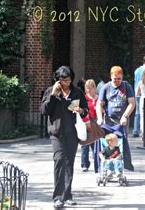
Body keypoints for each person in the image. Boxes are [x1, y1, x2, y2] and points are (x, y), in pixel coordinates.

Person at [41, 66, 88, 208]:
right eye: (61, 80)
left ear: (71, 80)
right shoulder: (51, 91)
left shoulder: (77, 92)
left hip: (72, 133)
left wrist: (81, 110)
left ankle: (67, 196)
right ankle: (57, 197)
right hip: (56, 133)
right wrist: (53, 95)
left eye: (67, 80)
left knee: (69, 164)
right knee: (59, 160)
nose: (64, 83)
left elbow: (86, 111)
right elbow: (44, 111)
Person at [96, 66, 135, 171]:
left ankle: (120, 163)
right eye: (115, 79)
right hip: (108, 121)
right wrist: (99, 118)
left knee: (121, 142)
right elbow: (99, 104)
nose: (117, 81)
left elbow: (132, 103)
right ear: (111, 77)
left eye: (119, 79)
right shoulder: (106, 88)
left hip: (121, 121)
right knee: (106, 142)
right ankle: (105, 164)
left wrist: (125, 116)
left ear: (122, 77)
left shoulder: (127, 87)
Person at [81, 79, 98, 172]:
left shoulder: (98, 98)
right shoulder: (84, 99)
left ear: (94, 88)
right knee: (85, 144)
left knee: (95, 144)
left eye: (90, 88)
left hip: (95, 123)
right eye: (86, 88)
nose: (88, 90)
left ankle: (97, 162)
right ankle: (84, 164)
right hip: (86, 122)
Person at [133, 55, 145, 137]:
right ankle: (143, 130)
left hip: (137, 91)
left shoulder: (137, 70)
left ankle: (135, 130)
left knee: (137, 112)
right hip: (144, 92)